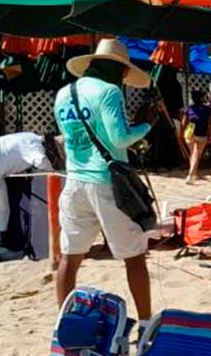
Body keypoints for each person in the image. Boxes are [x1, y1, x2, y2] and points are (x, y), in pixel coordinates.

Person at [52, 39, 155, 319]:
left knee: (69, 259)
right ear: (117, 68)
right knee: (133, 257)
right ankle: (146, 323)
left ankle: (65, 323)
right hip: (106, 182)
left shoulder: (64, 93)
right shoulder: (109, 92)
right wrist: (147, 125)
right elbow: (119, 138)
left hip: (73, 181)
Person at [183, 90, 211, 184]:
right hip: (202, 133)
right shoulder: (208, 110)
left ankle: (194, 174)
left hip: (190, 131)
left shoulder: (189, 109)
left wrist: (183, 131)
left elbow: (184, 121)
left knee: (193, 154)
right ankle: (191, 174)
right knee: (196, 154)